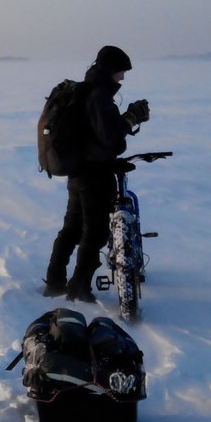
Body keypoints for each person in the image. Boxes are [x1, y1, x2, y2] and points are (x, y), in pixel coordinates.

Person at [44, 45, 150, 302]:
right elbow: (110, 136)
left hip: (78, 171)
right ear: (111, 70)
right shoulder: (99, 96)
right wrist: (132, 118)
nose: (123, 77)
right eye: (121, 72)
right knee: (95, 233)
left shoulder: (87, 90)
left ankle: (55, 282)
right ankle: (78, 288)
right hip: (94, 174)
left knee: (72, 228)